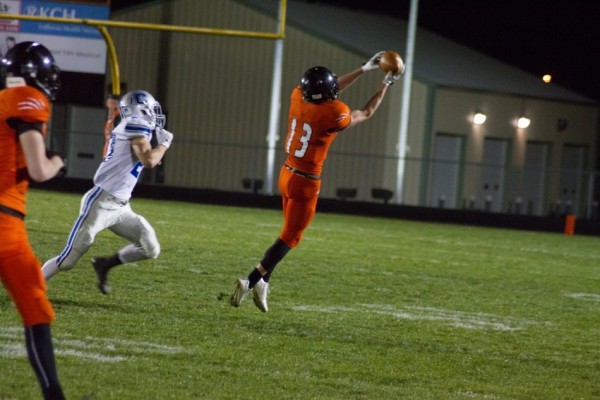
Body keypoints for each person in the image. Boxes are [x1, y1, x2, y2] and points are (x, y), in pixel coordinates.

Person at [231, 51, 403, 312]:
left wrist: (363, 69)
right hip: (306, 183)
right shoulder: (334, 113)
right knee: (290, 239)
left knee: (284, 235)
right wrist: (386, 83)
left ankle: (264, 282)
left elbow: (331, 89)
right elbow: (366, 112)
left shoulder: (297, 96)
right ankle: (250, 280)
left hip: (286, 173)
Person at [41, 90, 173, 295]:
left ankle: (105, 264)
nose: (154, 113)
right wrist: (164, 144)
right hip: (100, 203)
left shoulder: (135, 126)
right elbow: (149, 161)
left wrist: (157, 150)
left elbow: (147, 157)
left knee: (150, 247)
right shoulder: (135, 123)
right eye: (151, 108)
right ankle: (27, 286)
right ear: (141, 108)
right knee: (67, 260)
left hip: (121, 206)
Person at [0, 41, 66, 399]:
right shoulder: (27, 98)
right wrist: (59, 161)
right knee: (35, 309)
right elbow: (40, 170)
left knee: (36, 304)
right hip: (4, 226)